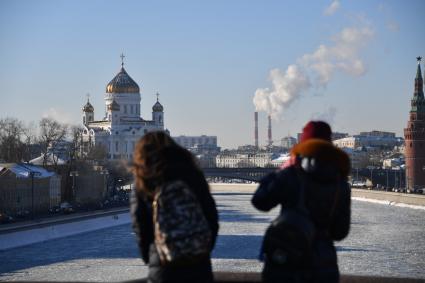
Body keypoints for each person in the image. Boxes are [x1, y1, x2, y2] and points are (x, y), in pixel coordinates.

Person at [252, 121, 351, 283]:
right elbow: (340, 232)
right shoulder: (341, 184)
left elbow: (260, 201)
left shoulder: (291, 175)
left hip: (286, 262)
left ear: (303, 145)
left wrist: (280, 173)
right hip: (323, 267)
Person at [131, 131, 219, 283]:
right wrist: (201, 250)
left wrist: (151, 256)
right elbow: (211, 218)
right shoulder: (194, 175)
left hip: (163, 268)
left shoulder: (144, 181)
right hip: (199, 267)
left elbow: (141, 226)